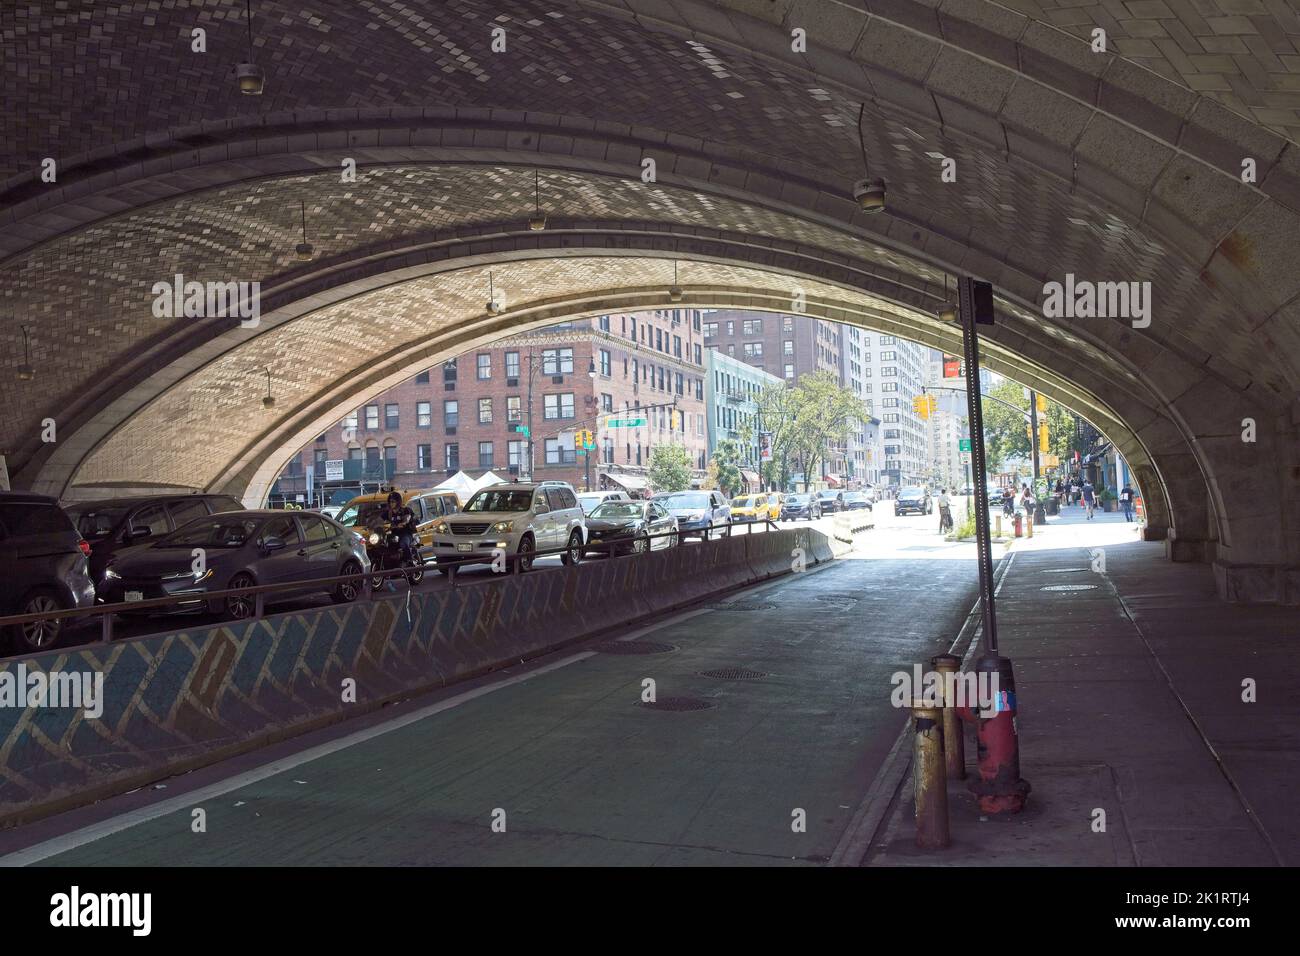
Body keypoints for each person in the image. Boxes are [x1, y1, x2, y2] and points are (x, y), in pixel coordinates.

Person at [380, 490, 420, 564]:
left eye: (393, 502)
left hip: (406, 533)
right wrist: (372, 525)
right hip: (393, 534)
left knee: (403, 543)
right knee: (385, 545)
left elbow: (407, 518)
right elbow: (379, 520)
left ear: (398, 502)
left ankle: (410, 560)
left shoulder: (405, 510)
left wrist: (403, 523)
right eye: (390, 502)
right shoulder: (388, 513)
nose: (391, 503)